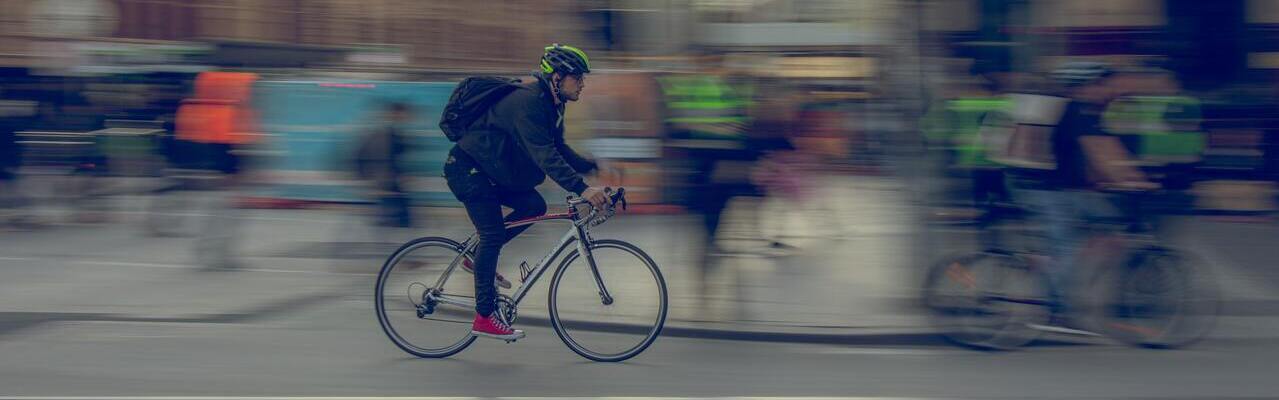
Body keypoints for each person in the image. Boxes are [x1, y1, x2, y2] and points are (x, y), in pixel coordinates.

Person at [444, 44, 608, 341]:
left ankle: (479, 255)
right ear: (557, 77)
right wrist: (582, 188)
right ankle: (483, 317)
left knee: (534, 205)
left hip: (490, 171)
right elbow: (544, 154)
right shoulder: (528, 102)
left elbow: (557, 147)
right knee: (492, 234)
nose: (582, 83)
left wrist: (590, 167)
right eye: (578, 77)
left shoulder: (552, 105)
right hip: (468, 170)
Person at [1007, 62, 1156, 322]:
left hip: (1055, 188)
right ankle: (1057, 310)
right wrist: (1130, 180)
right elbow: (1099, 153)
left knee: (1105, 221)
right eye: (1104, 84)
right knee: (1065, 246)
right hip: (1042, 189)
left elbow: (1105, 150)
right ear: (1086, 86)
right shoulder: (1074, 109)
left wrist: (1129, 177)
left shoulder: (1084, 112)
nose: (1109, 91)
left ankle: (1049, 267)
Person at [355, 101, 415, 228]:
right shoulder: (386, 132)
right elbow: (385, 157)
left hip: (385, 176)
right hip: (384, 177)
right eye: (403, 114)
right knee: (399, 213)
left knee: (398, 212)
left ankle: (388, 226)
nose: (406, 117)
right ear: (396, 113)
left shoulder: (390, 130)